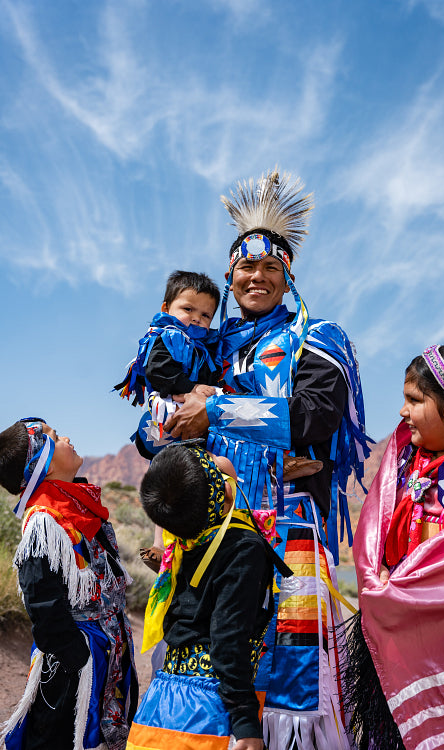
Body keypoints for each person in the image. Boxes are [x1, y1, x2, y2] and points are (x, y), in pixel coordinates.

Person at [160, 170, 372, 750]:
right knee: (202, 661)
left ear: (287, 277)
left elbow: (314, 416)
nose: (257, 276)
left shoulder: (319, 337)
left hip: (287, 532)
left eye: (270, 268)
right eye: (246, 268)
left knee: (289, 684)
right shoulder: (206, 344)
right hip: (211, 530)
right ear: (229, 277)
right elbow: (159, 427)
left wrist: (217, 411)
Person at [349, 344, 444, 749]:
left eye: (414, 400)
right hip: (398, 645)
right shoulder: (401, 466)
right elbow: (377, 537)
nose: (402, 411)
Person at [126, 441, 277, 750]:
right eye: (211, 460)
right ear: (220, 494)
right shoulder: (242, 548)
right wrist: (246, 721)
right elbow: (227, 637)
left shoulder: (187, 543)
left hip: (161, 704)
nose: (220, 457)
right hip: (208, 711)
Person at [0, 417, 138, 750]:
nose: (67, 438)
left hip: (103, 654)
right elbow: (43, 604)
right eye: (55, 437)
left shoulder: (78, 508)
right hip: (72, 669)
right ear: (42, 463)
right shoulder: (45, 523)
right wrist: (77, 658)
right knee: (61, 737)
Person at [114, 270, 222, 569]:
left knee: (186, 476)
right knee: (170, 479)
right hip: (168, 419)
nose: (196, 318)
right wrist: (191, 390)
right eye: (188, 309)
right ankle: (161, 544)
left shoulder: (203, 348)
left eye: (205, 314)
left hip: (191, 425)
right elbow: (157, 372)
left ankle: (180, 542)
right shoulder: (165, 336)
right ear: (167, 308)